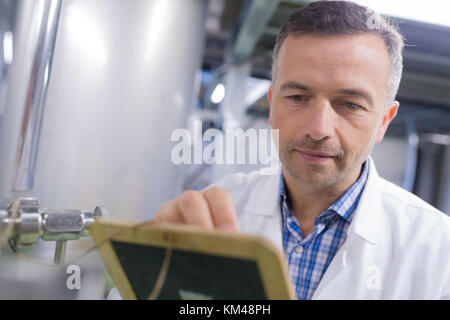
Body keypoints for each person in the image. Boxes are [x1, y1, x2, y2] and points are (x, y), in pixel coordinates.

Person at [111, 1, 450, 300]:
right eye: (298, 98)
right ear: (273, 104)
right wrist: (153, 274)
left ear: (383, 122)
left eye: (349, 104)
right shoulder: (217, 210)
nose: (318, 128)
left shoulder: (439, 251)